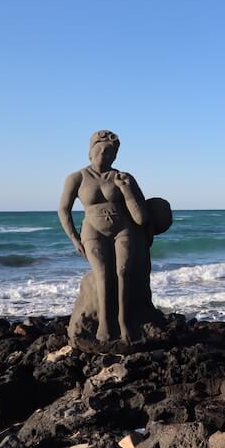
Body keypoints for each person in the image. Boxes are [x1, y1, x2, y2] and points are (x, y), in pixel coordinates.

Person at [58, 130, 150, 342]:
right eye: (100, 150)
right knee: (103, 274)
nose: (105, 155)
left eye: (110, 153)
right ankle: (105, 324)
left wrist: (125, 190)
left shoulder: (123, 177)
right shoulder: (77, 178)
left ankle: (125, 322)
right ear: (90, 151)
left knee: (124, 272)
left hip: (123, 230)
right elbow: (63, 209)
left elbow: (141, 217)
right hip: (93, 231)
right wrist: (74, 238)